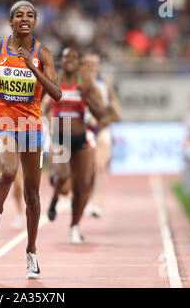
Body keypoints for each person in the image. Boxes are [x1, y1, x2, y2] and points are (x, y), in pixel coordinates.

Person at [0, 0, 62, 279]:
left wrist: (33, 69)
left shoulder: (44, 54)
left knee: (33, 194)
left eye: (30, 15)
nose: (24, 18)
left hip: (31, 124)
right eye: (19, 14)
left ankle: (31, 252)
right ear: (11, 21)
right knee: (9, 170)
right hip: (3, 120)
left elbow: (56, 94)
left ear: (35, 21)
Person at [44, 48, 105, 243]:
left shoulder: (85, 82)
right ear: (60, 61)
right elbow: (44, 108)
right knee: (63, 176)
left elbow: (100, 114)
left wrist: (86, 96)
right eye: (65, 57)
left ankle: (74, 226)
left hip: (81, 137)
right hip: (59, 137)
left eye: (73, 57)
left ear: (78, 61)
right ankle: (54, 199)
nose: (69, 60)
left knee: (82, 185)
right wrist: (49, 124)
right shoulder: (54, 81)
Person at [82, 53, 121, 218]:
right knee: (87, 168)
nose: (91, 66)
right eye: (88, 63)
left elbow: (112, 99)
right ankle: (86, 199)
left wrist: (116, 110)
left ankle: (98, 203)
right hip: (85, 128)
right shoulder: (79, 80)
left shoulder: (105, 80)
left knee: (100, 166)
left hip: (103, 127)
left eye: (94, 63)